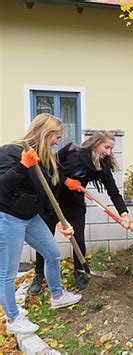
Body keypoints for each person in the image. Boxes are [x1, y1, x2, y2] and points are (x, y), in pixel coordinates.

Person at [0, 113, 82, 334]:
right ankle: (13, 319)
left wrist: (59, 222)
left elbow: (43, 195)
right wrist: (22, 167)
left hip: (31, 217)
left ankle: (57, 295)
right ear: (45, 133)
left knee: (53, 253)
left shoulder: (43, 160)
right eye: (56, 136)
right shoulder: (11, 152)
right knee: (8, 271)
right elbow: (2, 186)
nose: (58, 142)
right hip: (8, 218)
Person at [29, 130, 131, 293]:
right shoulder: (71, 152)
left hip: (74, 205)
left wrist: (124, 214)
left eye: (111, 149)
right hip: (51, 201)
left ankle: (80, 272)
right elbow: (46, 170)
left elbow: (113, 191)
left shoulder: (102, 166)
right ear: (96, 143)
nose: (109, 152)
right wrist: (65, 180)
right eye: (106, 147)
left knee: (78, 239)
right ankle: (39, 275)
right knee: (44, 240)